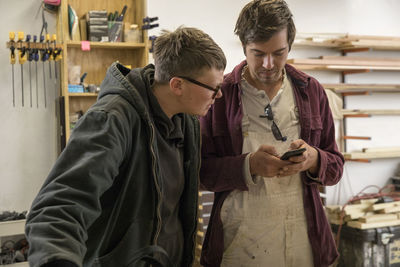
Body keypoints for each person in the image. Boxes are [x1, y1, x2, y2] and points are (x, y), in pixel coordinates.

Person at [25, 26, 226, 267]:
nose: (219, 95)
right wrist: (58, 259)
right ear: (177, 85)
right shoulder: (112, 119)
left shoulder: (187, 121)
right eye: (214, 88)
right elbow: (59, 206)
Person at [199, 1, 344, 267]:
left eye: (279, 53)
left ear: (289, 45)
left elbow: (336, 167)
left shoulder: (311, 91)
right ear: (243, 46)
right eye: (258, 53)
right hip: (241, 241)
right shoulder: (220, 96)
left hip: (303, 240)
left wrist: (313, 159)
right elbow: (200, 173)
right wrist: (248, 165)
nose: (268, 64)